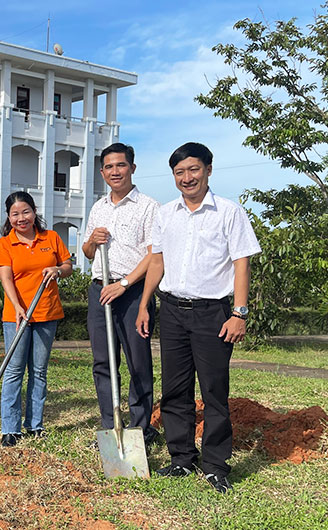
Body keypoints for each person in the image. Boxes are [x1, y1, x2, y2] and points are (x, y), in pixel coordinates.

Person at [136, 142, 261, 494]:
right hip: (173, 310)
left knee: (214, 391)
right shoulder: (166, 213)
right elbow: (156, 262)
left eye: (193, 170)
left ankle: (216, 465)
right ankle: (181, 459)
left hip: (213, 314)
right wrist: (145, 303)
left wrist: (239, 313)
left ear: (208, 169)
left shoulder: (228, 212)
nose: (186, 178)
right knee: (175, 390)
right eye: (179, 172)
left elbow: (241, 263)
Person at [82, 143, 160, 448]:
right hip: (99, 289)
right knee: (102, 361)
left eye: (121, 165)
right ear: (102, 172)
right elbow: (88, 254)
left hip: (132, 292)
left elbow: (154, 256)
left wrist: (124, 284)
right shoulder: (98, 207)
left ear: (132, 168)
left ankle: (140, 428)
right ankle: (110, 426)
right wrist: (91, 240)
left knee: (138, 360)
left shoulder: (148, 206)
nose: (115, 172)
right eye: (109, 167)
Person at [0, 192, 72, 447]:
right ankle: (10, 429)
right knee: (14, 371)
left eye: (25, 212)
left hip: (47, 313)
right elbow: (6, 278)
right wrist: (17, 306)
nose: (21, 218)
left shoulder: (51, 238)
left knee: (39, 371)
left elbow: (68, 266)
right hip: (16, 317)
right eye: (15, 214)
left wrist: (58, 270)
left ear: (34, 211)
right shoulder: (5, 244)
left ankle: (35, 425)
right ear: (8, 217)